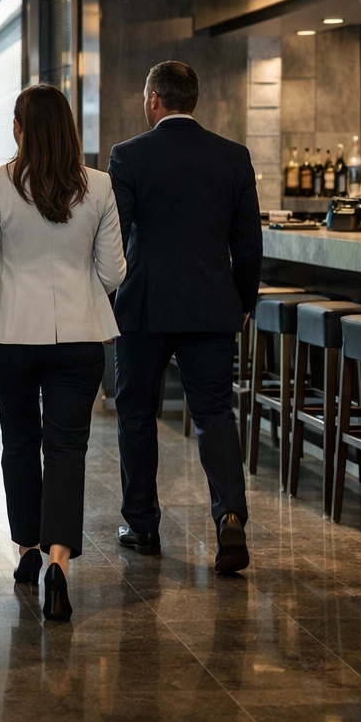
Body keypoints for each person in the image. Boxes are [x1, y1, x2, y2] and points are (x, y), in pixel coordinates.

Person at [0, 84, 125, 621]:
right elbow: (115, 270)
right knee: (68, 449)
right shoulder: (98, 186)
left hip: (10, 336)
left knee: (21, 443)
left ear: (20, 129)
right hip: (80, 337)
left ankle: (26, 547)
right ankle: (57, 562)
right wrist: (80, 288)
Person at [109, 60, 260, 575]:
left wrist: (112, 291)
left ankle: (143, 524)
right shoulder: (234, 158)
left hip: (145, 306)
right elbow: (248, 243)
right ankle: (230, 516)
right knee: (214, 413)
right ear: (193, 100)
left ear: (154, 100)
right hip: (211, 304)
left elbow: (116, 237)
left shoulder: (128, 156)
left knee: (135, 411)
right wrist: (242, 302)